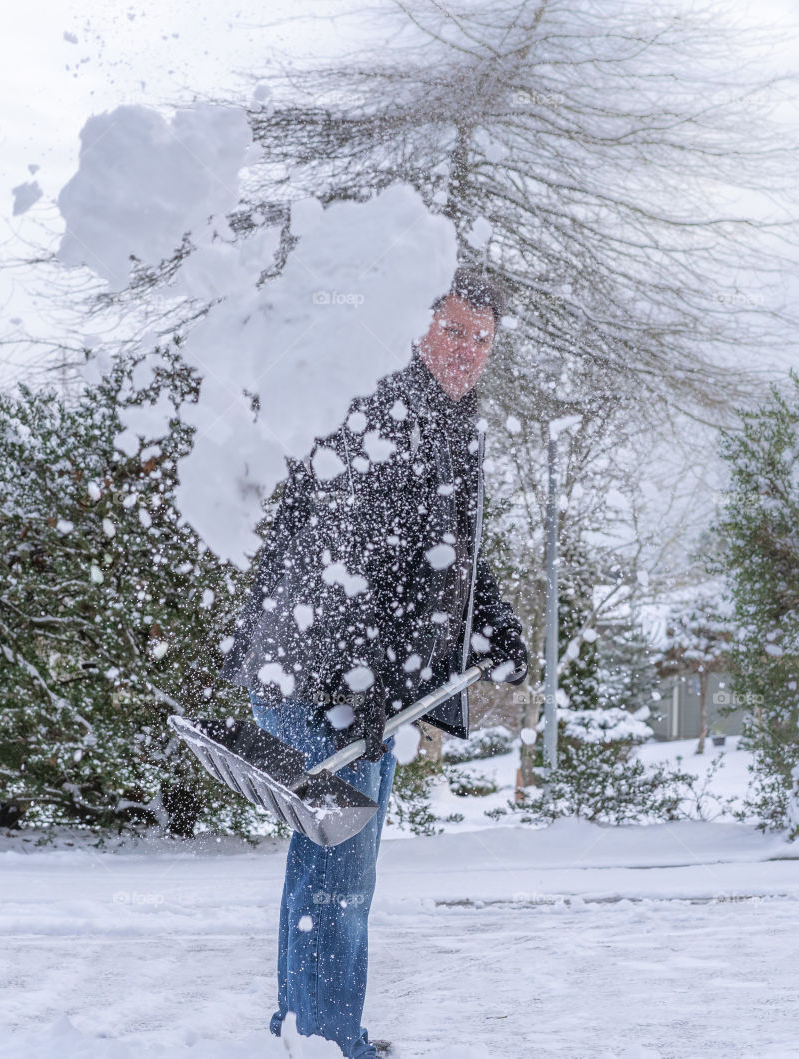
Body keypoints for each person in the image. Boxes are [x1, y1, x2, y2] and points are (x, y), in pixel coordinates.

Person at [219, 266, 529, 1059]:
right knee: (339, 882)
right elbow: (347, 557)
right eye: (453, 330)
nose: (465, 350)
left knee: (322, 870)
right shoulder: (386, 410)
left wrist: (489, 621)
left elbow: (443, 549)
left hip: (330, 678)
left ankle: (305, 1031)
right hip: (327, 681)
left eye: (481, 339)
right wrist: (357, 686)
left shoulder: (447, 419)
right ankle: (325, 1039)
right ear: (418, 325)